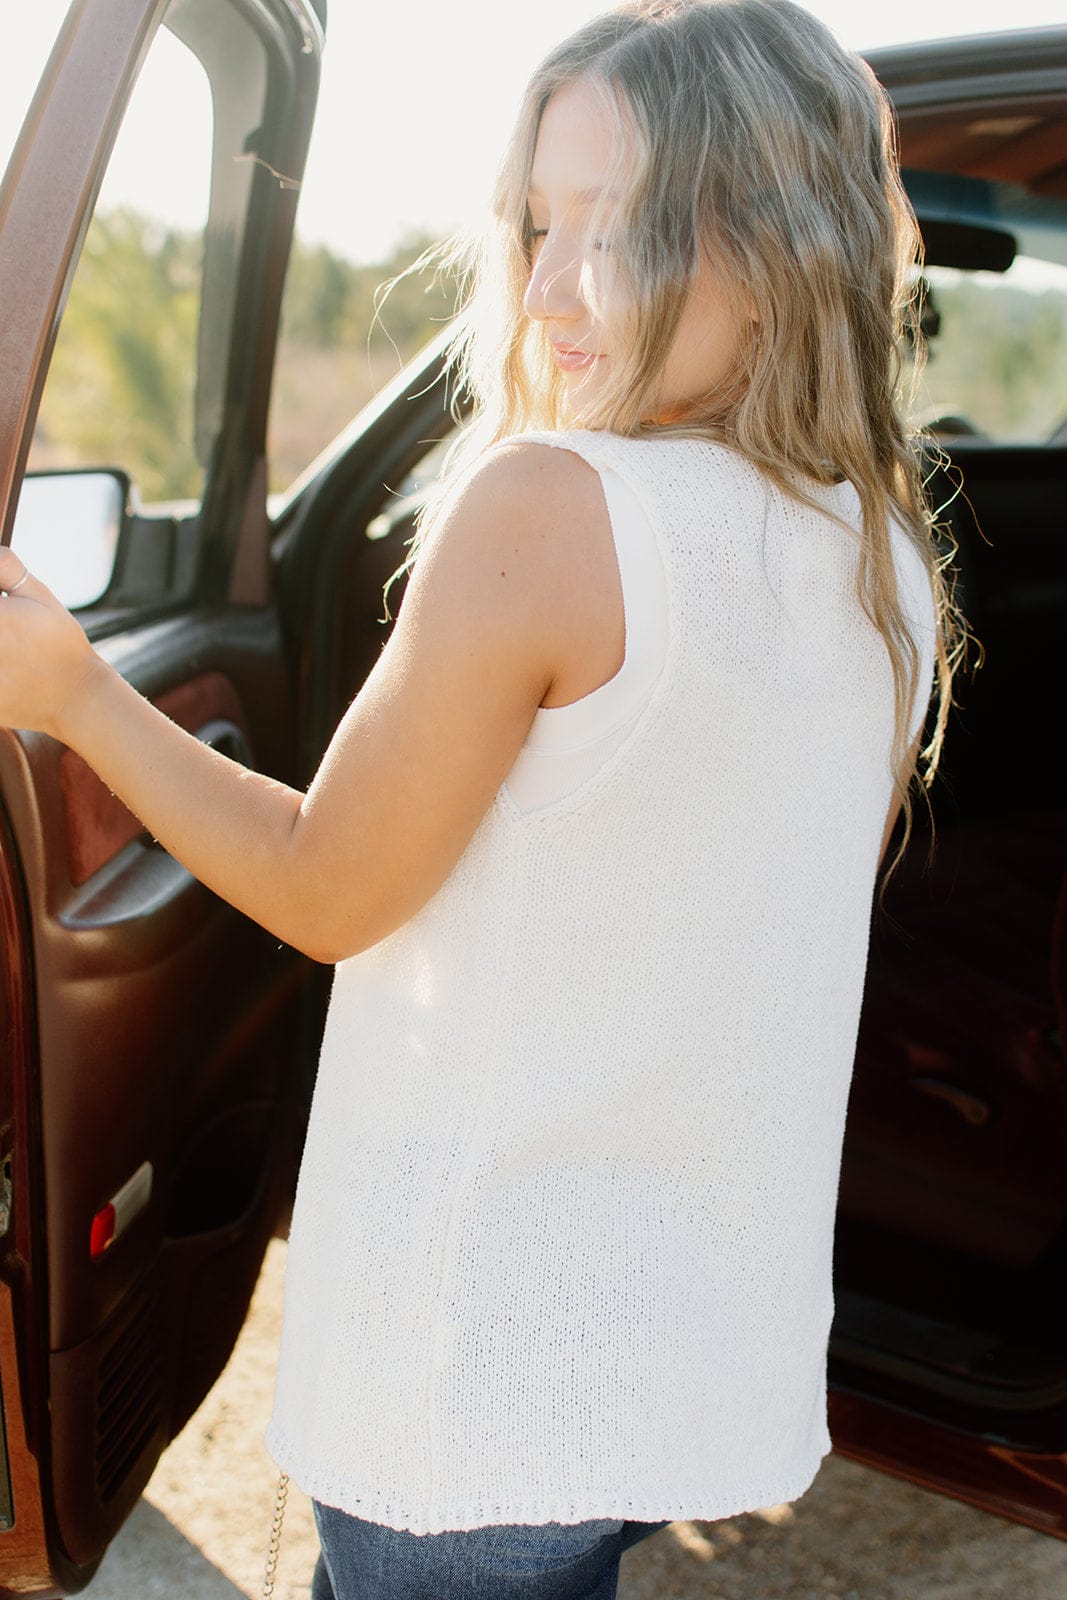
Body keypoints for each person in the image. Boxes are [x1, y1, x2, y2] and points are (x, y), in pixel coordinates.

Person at [0, 2, 961, 1596]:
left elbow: (326, 889)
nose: (556, 285)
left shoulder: (549, 506)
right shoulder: (886, 562)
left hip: (483, 1379)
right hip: (698, 1351)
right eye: (537, 222)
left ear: (779, 239)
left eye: (627, 224)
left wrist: (74, 696)